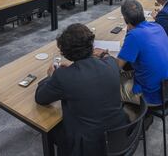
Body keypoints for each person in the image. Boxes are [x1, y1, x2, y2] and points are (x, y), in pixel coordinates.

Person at [35, 23, 128, 156]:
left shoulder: (63, 77)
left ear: (66, 53)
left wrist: (51, 77)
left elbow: (40, 98)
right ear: (92, 46)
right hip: (120, 135)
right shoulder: (111, 64)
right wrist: (102, 55)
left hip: (89, 147)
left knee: (50, 128)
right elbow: (107, 58)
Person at [116, 0, 168, 105]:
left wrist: (104, 55)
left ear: (125, 19)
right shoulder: (157, 26)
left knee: (107, 87)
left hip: (150, 95)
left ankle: (132, 116)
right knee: (125, 73)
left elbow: (116, 66)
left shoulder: (134, 36)